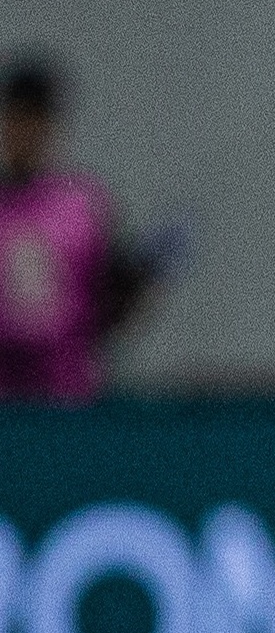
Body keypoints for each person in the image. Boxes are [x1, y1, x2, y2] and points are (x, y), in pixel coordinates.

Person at [0, 61, 156, 403]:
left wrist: (140, 284)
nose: (25, 131)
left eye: (36, 118)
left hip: (69, 397)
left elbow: (111, 305)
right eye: (16, 117)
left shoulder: (84, 206)